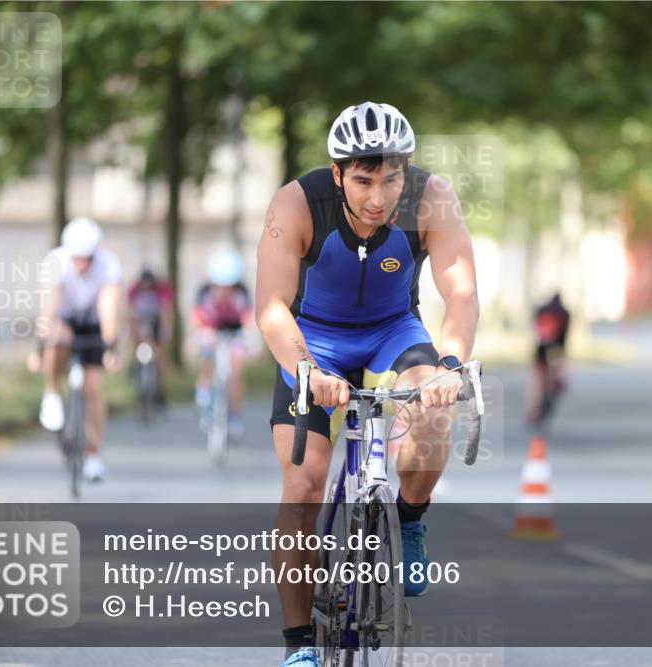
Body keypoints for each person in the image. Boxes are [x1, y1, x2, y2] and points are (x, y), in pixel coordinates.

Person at [256, 101, 479, 666]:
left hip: (392, 331)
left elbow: (461, 291)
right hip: (314, 341)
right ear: (338, 174)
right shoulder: (297, 203)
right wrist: (307, 370)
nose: (379, 197)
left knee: (434, 410)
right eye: (363, 181)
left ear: (407, 170)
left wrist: (451, 363)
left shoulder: (431, 198)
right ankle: (299, 646)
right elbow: (272, 306)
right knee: (303, 487)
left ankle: (409, 516)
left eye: (391, 179)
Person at [35, 217, 122, 482]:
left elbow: (108, 312)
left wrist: (110, 348)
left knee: (93, 390)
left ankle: (93, 454)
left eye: (87, 259)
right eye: (77, 259)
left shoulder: (109, 265)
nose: (82, 264)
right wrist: (40, 348)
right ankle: (52, 393)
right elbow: (49, 309)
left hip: (93, 324)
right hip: (65, 320)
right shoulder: (56, 262)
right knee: (57, 335)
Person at [190, 250, 253, 438]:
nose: (224, 290)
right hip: (211, 329)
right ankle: (204, 393)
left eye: (229, 286)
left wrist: (250, 340)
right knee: (207, 359)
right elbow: (196, 319)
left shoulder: (242, 293)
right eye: (220, 285)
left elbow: (248, 320)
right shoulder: (204, 293)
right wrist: (195, 338)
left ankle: (235, 415)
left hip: (234, 331)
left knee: (237, 371)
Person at [127, 268, 174, 405]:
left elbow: (166, 311)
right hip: (140, 323)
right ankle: (135, 370)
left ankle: (160, 389)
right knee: (137, 345)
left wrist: (166, 330)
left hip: (156, 323)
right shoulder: (134, 290)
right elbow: (130, 312)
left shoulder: (161, 290)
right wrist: (132, 330)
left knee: (160, 356)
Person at [527, 292, 570, 425]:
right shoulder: (564, 313)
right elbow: (565, 335)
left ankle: (534, 410)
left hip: (541, 348)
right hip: (557, 348)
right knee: (556, 370)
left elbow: (536, 329)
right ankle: (555, 386)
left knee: (538, 380)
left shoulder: (542, 310)